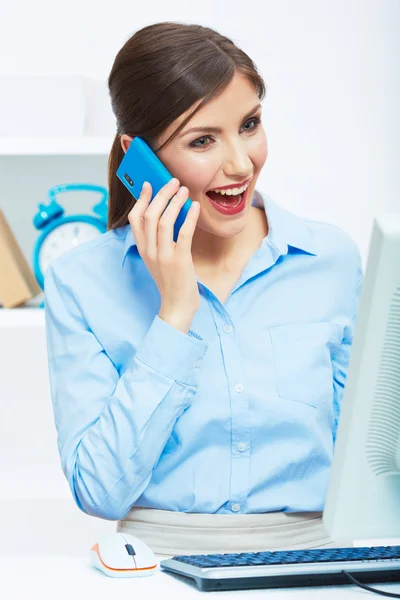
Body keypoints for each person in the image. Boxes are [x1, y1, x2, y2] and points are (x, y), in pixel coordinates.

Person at [44, 21, 363, 558]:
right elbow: (99, 491)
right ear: (138, 154)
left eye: (250, 124)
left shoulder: (329, 260)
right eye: (202, 140)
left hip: (321, 563)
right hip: (157, 569)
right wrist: (174, 313)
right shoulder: (81, 281)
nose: (240, 164)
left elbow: (371, 462)